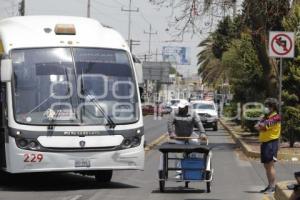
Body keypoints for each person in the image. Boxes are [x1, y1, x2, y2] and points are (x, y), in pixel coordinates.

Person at [158, 101, 207, 172]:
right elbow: (169, 123)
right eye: (180, 107)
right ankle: (179, 172)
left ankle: (194, 167)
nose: (180, 109)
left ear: (187, 107)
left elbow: (199, 123)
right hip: (178, 136)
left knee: (197, 148)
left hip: (190, 135)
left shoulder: (193, 113)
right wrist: (171, 133)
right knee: (178, 155)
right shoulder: (174, 112)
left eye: (182, 108)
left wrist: (202, 133)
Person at [255, 98, 281, 194]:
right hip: (265, 143)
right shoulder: (267, 117)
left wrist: (260, 125)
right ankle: (269, 185)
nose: (265, 108)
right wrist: (260, 124)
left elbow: (261, 127)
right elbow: (257, 125)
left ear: (272, 107)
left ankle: (273, 186)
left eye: (267, 106)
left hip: (271, 143)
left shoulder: (276, 117)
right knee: (266, 166)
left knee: (270, 166)